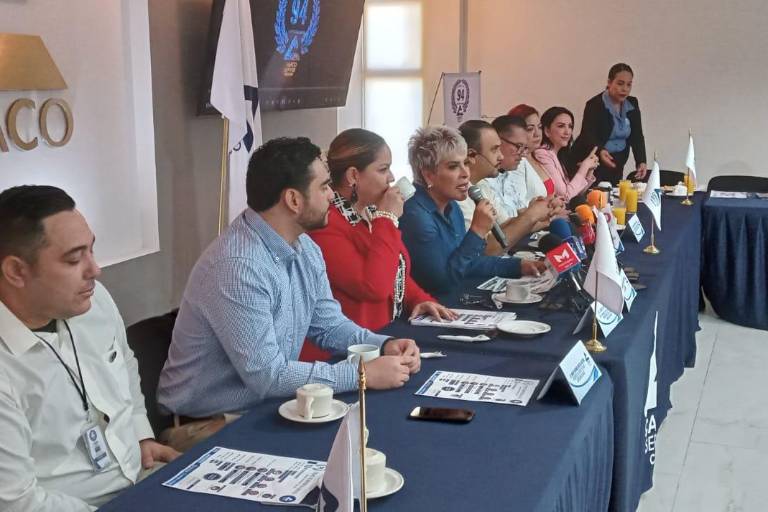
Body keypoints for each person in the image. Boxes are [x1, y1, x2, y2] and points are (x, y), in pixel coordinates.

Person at [157, 137, 421, 440]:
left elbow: (329, 326)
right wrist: (362, 374)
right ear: (294, 200)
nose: (332, 196)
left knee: (380, 435)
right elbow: (268, 377)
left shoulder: (305, 247)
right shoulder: (238, 266)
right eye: (324, 187)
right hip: (209, 424)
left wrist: (384, 345)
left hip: (266, 406)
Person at [0, 185, 179, 511]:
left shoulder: (93, 302)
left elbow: (125, 363)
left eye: (92, 251)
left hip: (141, 476)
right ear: (16, 271)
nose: (95, 270)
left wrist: (141, 434)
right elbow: (17, 502)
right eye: (74, 259)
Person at [304, 129, 456, 361]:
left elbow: (394, 266)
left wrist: (418, 298)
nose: (391, 177)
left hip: (383, 341)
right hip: (344, 356)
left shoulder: (368, 212)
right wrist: (386, 219)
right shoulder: (326, 224)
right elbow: (373, 286)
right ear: (353, 175)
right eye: (383, 169)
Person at [399, 125, 546, 295]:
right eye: (453, 166)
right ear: (428, 175)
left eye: (465, 163)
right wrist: (477, 231)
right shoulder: (416, 215)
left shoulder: (451, 206)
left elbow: (468, 262)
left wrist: (518, 266)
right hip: (435, 303)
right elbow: (443, 283)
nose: (465, 174)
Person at [456, 120, 553, 254]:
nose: (501, 156)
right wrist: (530, 216)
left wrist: (538, 214)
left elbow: (502, 230)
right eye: (495, 149)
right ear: (472, 155)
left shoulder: (481, 186)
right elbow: (483, 251)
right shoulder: (457, 197)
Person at [572, 63, 648, 185]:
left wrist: (641, 161)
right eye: (620, 83)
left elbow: (637, 136)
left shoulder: (632, 103)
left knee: (614, 193)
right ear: (609, 82)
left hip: (617, 162)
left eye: (629, 84)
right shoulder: (594, 105)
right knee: (597, 193)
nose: (625, 89)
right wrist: (600, 151)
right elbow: (588, 135)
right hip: (594, 162)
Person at [533, 106, 599, 201]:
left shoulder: (559, 154)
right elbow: (565, 196)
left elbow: (575, 193)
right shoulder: (542, 154)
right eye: (561, 126)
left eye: (570, 126)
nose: (567, 132)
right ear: (547, 131)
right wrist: (584, 166)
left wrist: (589, 170)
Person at [507, 104, 555, 198]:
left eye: (539, 127)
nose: (537, 134)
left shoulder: (536, 157)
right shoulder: (517, 163)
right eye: (530, 129)